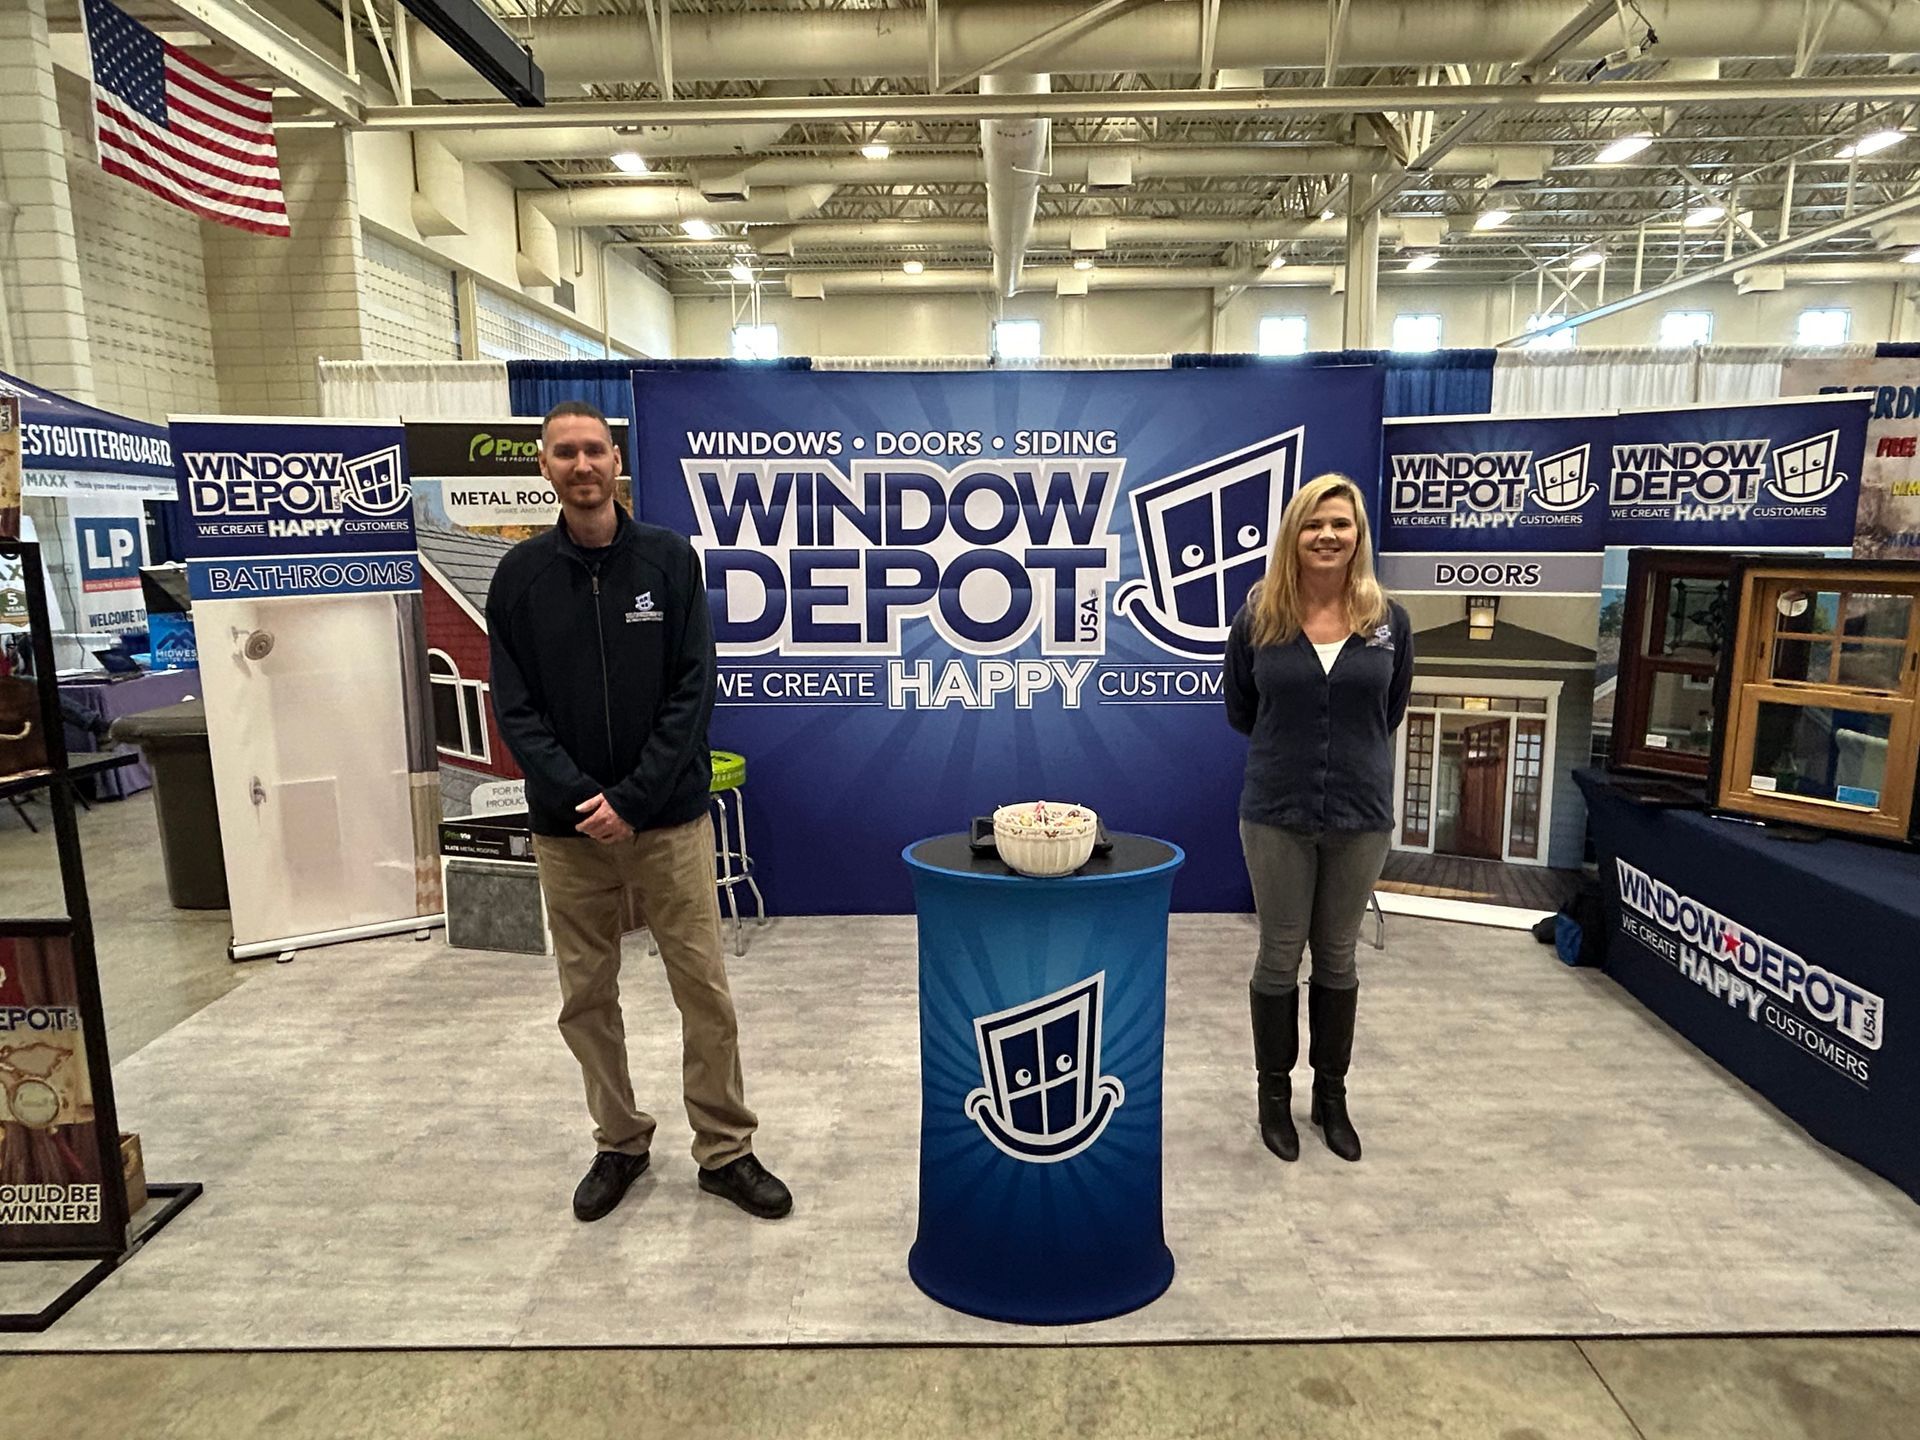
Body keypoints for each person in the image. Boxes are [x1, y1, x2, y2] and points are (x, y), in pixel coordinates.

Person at [486, 400, 792, 1223]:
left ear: (616, 461)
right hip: (569, 833)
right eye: (565, 453)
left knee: (704, 992)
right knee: (586, 998)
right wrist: (582, 799)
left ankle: (725, 1151)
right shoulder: (519, 578)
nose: (582, 465)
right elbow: (515, 710)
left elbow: (693, 689)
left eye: (594, 450)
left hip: (668, 823)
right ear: (544, 467)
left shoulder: (667, 559)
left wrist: (632, 798)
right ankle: (619, 1142)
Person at [1222, 473, 1413, 1164]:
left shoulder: (1389, 622)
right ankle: (1273, 1098)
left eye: (1341, 523)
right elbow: (1242, 710)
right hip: (1276, 812)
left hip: (1361, 816)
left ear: (1358, 536)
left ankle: (1330, 1098)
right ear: (1293, 536)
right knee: (1279, 952)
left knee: (1337, 954)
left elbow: (1389, 710)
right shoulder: (1259, 618)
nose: (1327, 535)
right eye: (1313, 524)